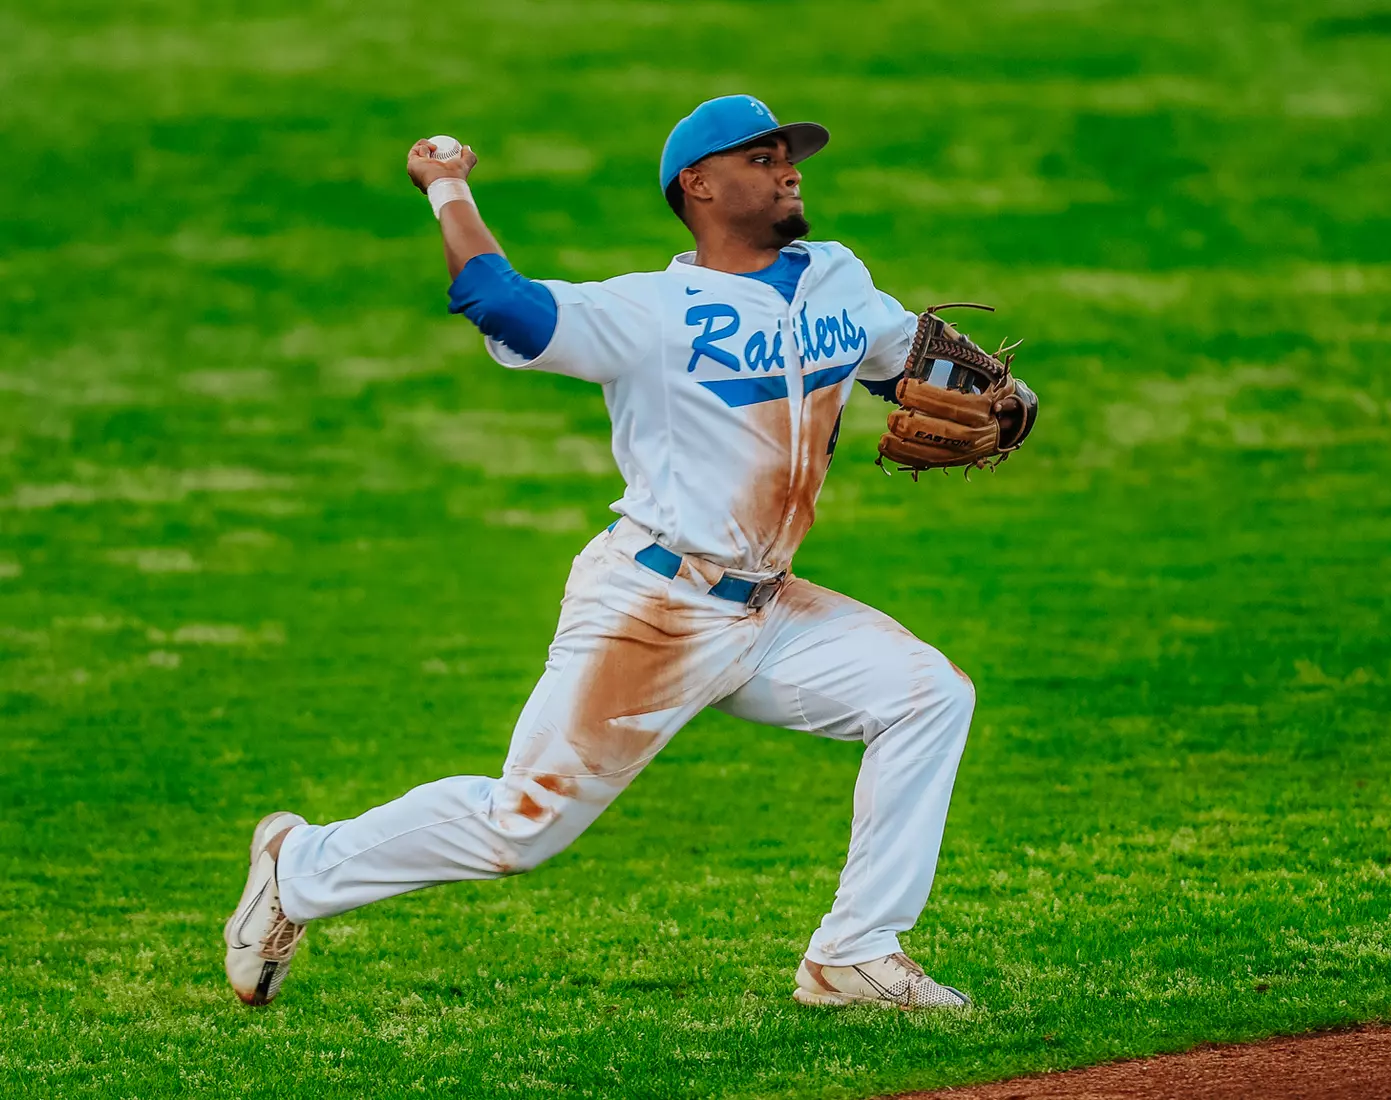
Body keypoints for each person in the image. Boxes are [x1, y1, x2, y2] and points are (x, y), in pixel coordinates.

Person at [224, 95, 990, 1011]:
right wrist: (448, 187)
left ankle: (853, 955)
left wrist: (1003, 397)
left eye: (790, 156)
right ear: (697, 186)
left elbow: (915, 359)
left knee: (927, 696)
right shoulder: (652, 312)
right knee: (521, 827)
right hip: (652, 607)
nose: (788, 170)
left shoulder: (835, 280)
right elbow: (495, 302)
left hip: (770, 608)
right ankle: (298, 864)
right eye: (761, 158)